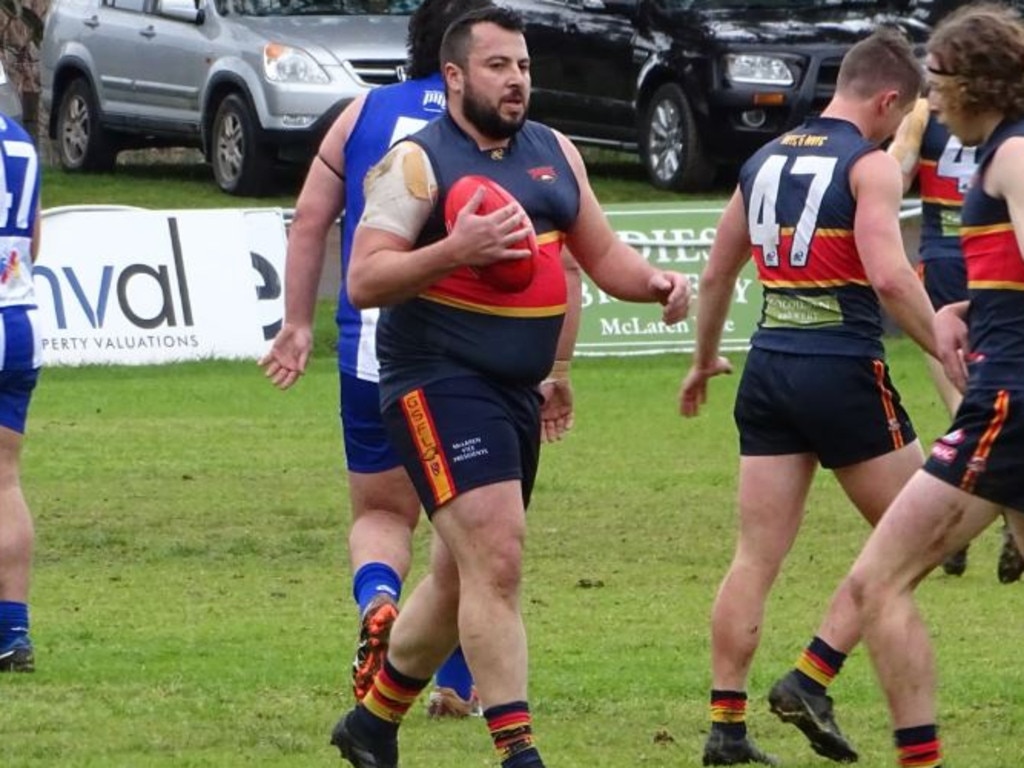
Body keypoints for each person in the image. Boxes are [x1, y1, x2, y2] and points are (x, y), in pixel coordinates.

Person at [326, 7, 691, 768]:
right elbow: (364, 279)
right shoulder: (415, 163)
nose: (517, 79)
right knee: (497, 558)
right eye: (498, 66)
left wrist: (655, 283)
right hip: (434, 381)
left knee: (460, 573)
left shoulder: (554, 153)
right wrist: (454, 250)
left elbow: (603, 254)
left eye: (523, 66)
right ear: (455, 76)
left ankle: (371, 724)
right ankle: (519, 753)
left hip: (515, 392)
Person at [259, 0, 584, 718]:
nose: (513, 73)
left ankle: (378, 599)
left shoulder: (363, 112)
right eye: (501, 60)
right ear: (459, 59)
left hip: (376, 343)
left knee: (386, 512)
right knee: (477, 536)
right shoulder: (522, 137)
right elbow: (566, 260)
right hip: (468, 350)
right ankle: (461, 684)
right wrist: (559, 367)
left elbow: (313, 219)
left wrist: (294, 325)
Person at [679, 27, 937, 766]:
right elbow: (890, 278)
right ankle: (812, 673)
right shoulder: (870, 166)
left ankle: (726, 727)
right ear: (888, 100)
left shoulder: (762, 160)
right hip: (843, 369)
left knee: (754, 556)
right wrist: (943, 345)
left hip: (767, 369)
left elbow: (717, 274)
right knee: (914, 533)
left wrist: (702, 362)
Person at [845, 5, 1024, 766]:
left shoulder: (1013, 156)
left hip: (1010, 400)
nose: (930, 93)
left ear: (978, 82)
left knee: (875, 583)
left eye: (940, 77)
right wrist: (969, 307)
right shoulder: (1002, 151)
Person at [888, 98, 1024, 582]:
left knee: (967, 402)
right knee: (988, 408)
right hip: (1000, 264)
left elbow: (896, 169)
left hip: (948, 260)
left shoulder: (923, 113)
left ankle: (969, 521)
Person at [0, 112, 43, 673]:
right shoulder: (21, 139)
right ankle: (13, 632)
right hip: (17, 318)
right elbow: (34, 238)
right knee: (5, 481)